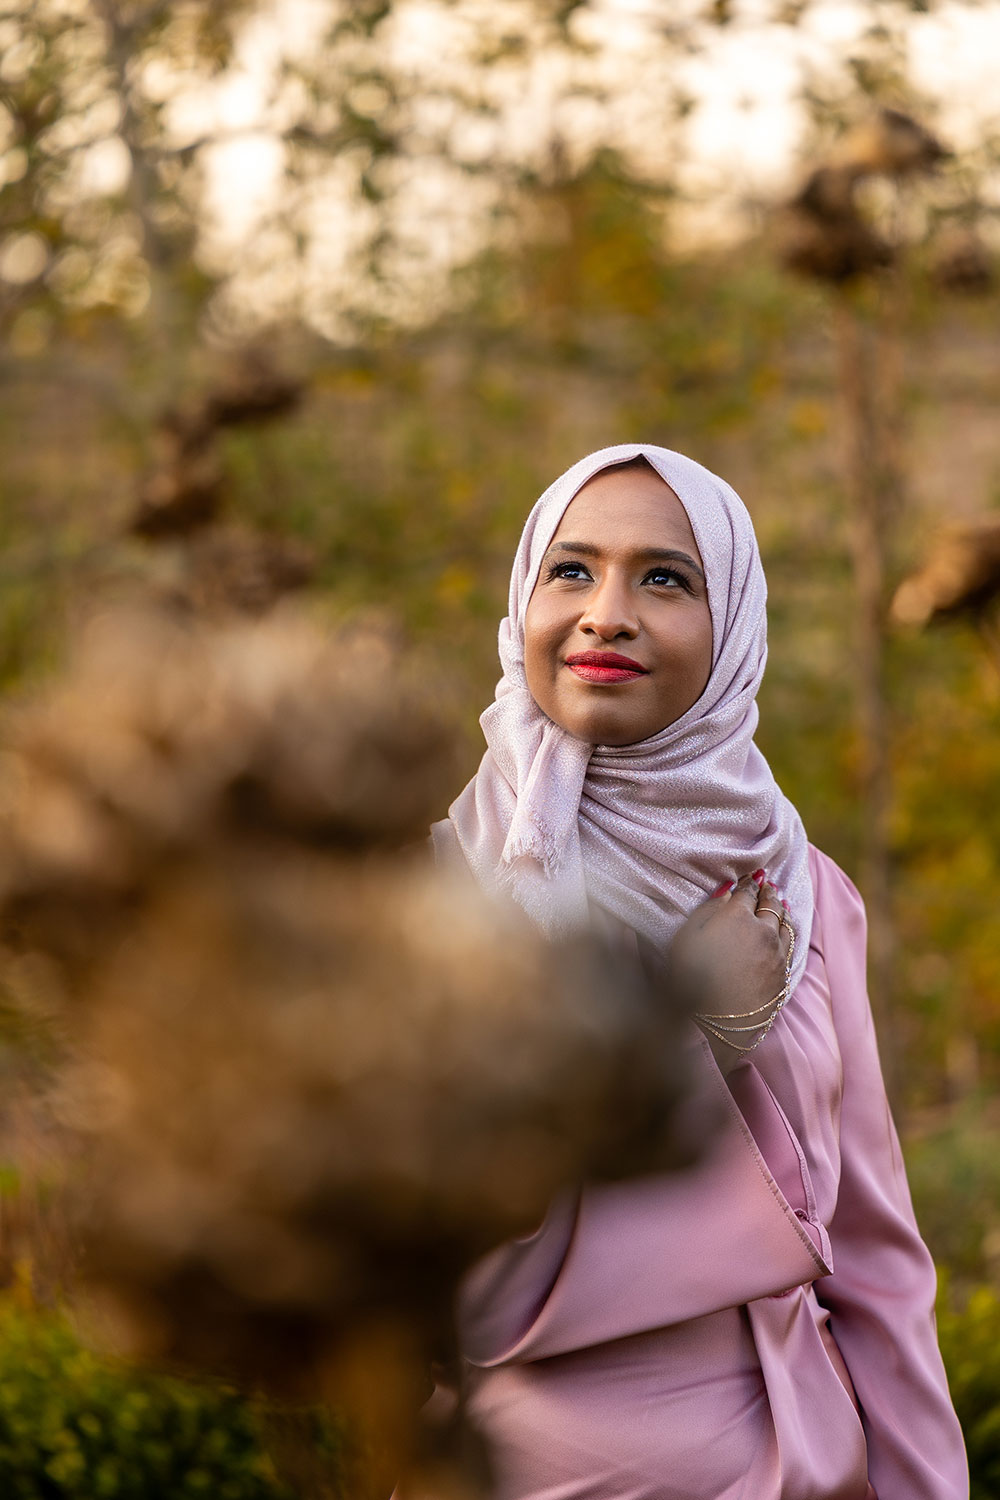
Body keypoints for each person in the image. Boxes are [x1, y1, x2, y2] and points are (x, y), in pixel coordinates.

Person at [430, 445, 968, 1500]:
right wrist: (690, 1023)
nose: (606, 614)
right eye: (571, 571)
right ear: (522, 601)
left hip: (809, 1467)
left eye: (664, 578)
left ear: (735, 635)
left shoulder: (803, 890)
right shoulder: (436, 895)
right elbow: (441, 1256)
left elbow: (877, 1263)